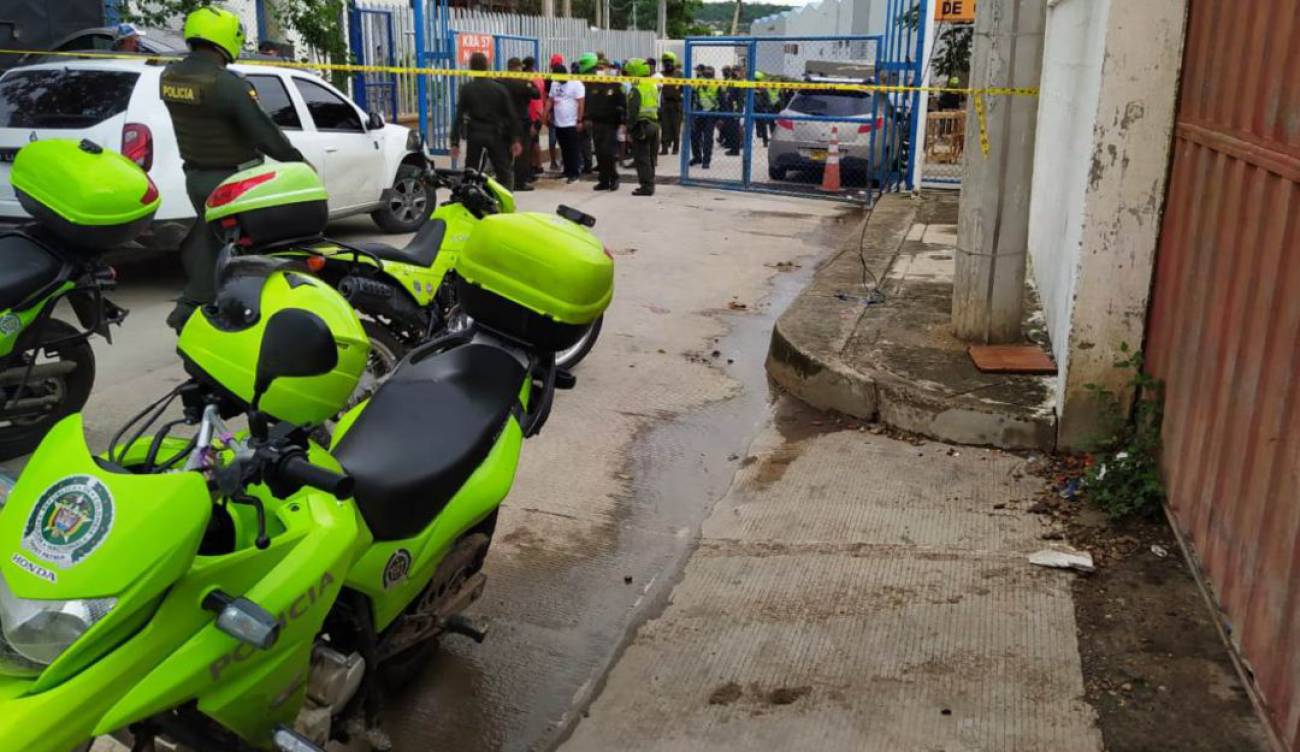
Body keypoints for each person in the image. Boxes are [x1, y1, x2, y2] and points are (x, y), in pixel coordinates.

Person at [159, 7, 305, 333]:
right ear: (225, 38)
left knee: (211, 244)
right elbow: (264, 133)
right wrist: (297, 162)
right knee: (248, 251)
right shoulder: (225, 84)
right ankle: (217, 313)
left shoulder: (169, 76)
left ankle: (192, 309)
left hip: (196, 177)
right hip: (233, 180)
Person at [450, 52, 521, 187]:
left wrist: (455, 142)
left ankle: (471, 198)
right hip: (495, 134)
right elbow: (511, 115)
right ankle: (506, 200)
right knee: (504, 171)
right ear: (487, 66)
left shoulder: (467, 89)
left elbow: (458, 117)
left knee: (471, 170)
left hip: (475, 134)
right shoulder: (499, 89)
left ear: (471, 67)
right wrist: (515, 139)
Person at [586, 58, 626, 191]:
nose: (600, 70)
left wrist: (622, 122)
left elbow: (622, 104)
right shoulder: (594, 84)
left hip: (610, 124)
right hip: (596, 123)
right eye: (599, 67)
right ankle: (603, 181)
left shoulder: (615, 84)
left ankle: (614, 178)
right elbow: (589, 102)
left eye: (603, 67)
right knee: (599, 154)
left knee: (608, 153)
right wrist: (587, 117)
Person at [544, 58, 585, 183]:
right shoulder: (555, 83)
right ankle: (566, 171)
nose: (560, 81)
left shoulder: (576, 84)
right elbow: (550, 100)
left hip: (571, 123)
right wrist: (545, 114)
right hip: (559, 123)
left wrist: (579, 120)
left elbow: (581, 103)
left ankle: (574, 173)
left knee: (573, 149)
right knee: (564, 148)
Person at [502, 57, 539, 191]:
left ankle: (504, 182)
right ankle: (519, 183)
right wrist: (530, 81)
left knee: (505, 152)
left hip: (505, 121)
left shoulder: (501, 80)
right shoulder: (523, 81)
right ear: (519, 67)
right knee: (522, 154)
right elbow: (537, 94)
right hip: (521, 122)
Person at [624, 58, 660, 197]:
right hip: (654, 124)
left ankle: (646, 187)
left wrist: (629, 129)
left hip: (642, 126)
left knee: (642, 158)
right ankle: (650, 183)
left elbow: (633, 112)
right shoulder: (652, 85)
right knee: (651, 157)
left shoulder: (636, 88)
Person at [689, 65, 717, 169]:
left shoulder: (717, 84)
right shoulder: (697, 83)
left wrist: (720, 117)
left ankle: (706, 161)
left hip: (711, 114)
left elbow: (722, 100)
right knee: (695, 136)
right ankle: (697, 157)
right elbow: (692, 97)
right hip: (698, 113)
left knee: (708, 139)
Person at [523, 56, 545, 178]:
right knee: (535, 141)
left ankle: (532, 166)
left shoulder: (528, 78)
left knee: (530, 142)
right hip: (539, 111)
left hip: (532, 112)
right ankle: (538, 165)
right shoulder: (539, 76)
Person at [573, 58, 595, 174]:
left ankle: (586, 165)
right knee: (587, 142)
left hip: (585, 117)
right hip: (591, 117)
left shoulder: (581, 83)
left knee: (583, 142)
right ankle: (588, 164)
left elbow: (581, 103)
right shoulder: (595, 80)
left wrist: (579, 119)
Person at [658, 52, 682, 155]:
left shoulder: (679, 74)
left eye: (669, 62)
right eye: (665, 62)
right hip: (665, 103)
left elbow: (685, 88)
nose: (667, 64)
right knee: (664, 127)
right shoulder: (661, 75)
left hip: (676, 104)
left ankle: (675, 148)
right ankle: (664, 148)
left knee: (675, 127)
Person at [546, 54, 564, 170]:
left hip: (554, 112)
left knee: (554, 139)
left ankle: (554, 161)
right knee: (560, 138)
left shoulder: (548, 78)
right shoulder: (550, 79)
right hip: (559, 112)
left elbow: (545, 97)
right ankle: (558, 161)